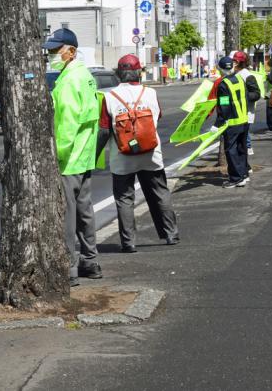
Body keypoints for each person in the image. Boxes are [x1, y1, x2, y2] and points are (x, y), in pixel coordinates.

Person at [97, 54, 179, 252]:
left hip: (122, 156)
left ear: (119, 74)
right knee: (160, 193)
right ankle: (170, 234)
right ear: (139, 72)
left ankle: (128, 242)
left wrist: (94, 155)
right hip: (151, 153)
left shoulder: (109, 97)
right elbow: (157, 115)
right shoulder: (150, 93)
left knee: (125, 198)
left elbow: (105, 130)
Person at [43, 28, 102, 286]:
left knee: (67, 217)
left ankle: (69, 268)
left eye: (56, 50)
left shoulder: (68, 81)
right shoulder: (86, 76)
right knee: (84, 212)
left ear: (71, 51)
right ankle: (91, 261)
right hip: (85, 155)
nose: (51, 55)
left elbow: (66, 125)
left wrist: (56, 155)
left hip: (68, 159)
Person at [213, 56, 249, 188]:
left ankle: (235, 178)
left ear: (221, 69)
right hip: (244, 120)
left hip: (232, 122)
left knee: (231, 151)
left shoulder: (224, 84)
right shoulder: (239, 79)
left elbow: (224, 106)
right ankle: (243, 174)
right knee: (241, 149)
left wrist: (217, 124)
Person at [232, 52, 262, 156]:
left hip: (245, 112)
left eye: (234, 61)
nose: (233, 63)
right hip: (236, 112)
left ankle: (247, 151)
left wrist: (242, 97)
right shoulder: (235, 74)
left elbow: (256, 94)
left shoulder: (247, 76)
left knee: (243, 138)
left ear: (238, 62)